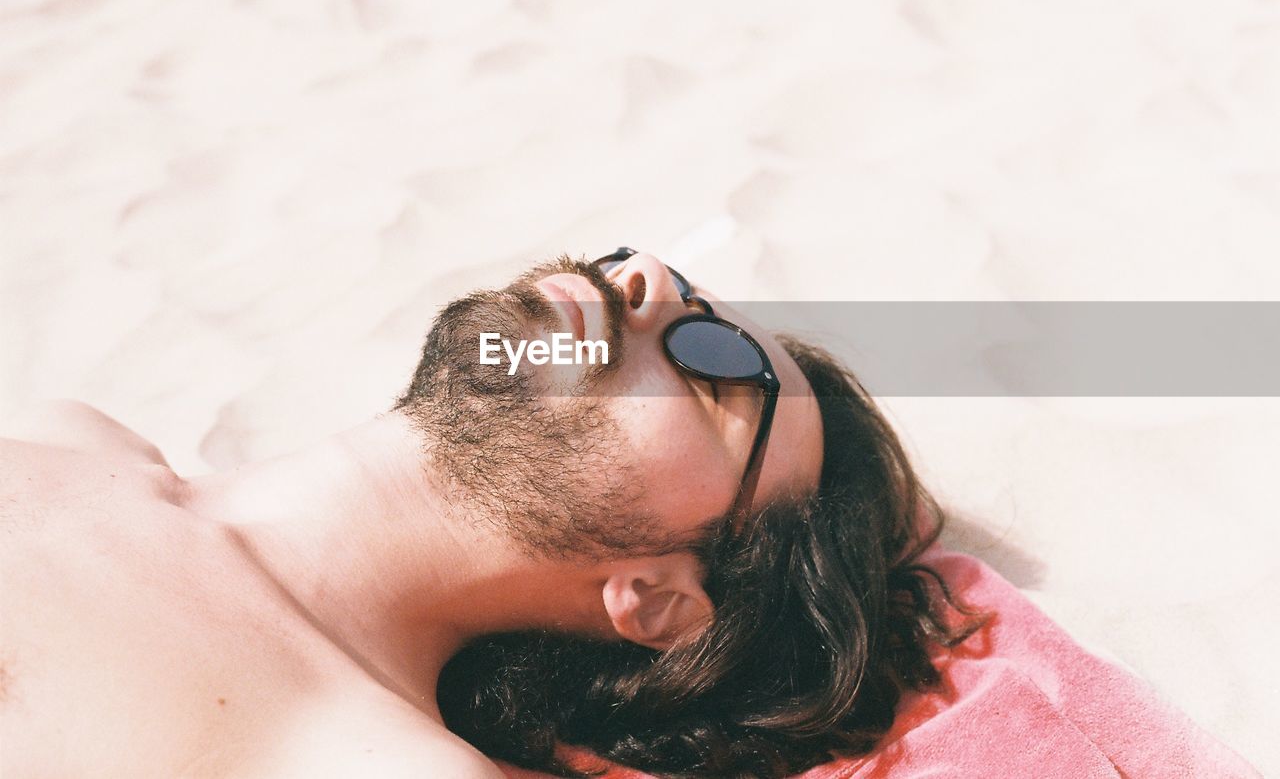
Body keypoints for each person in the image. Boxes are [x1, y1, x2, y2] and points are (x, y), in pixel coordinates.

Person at [0, 249, 983, 778]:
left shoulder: (360, 762)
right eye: (655, 278)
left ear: (657, 600)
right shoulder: (74, 435)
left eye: (717, 370)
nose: (639, 285)